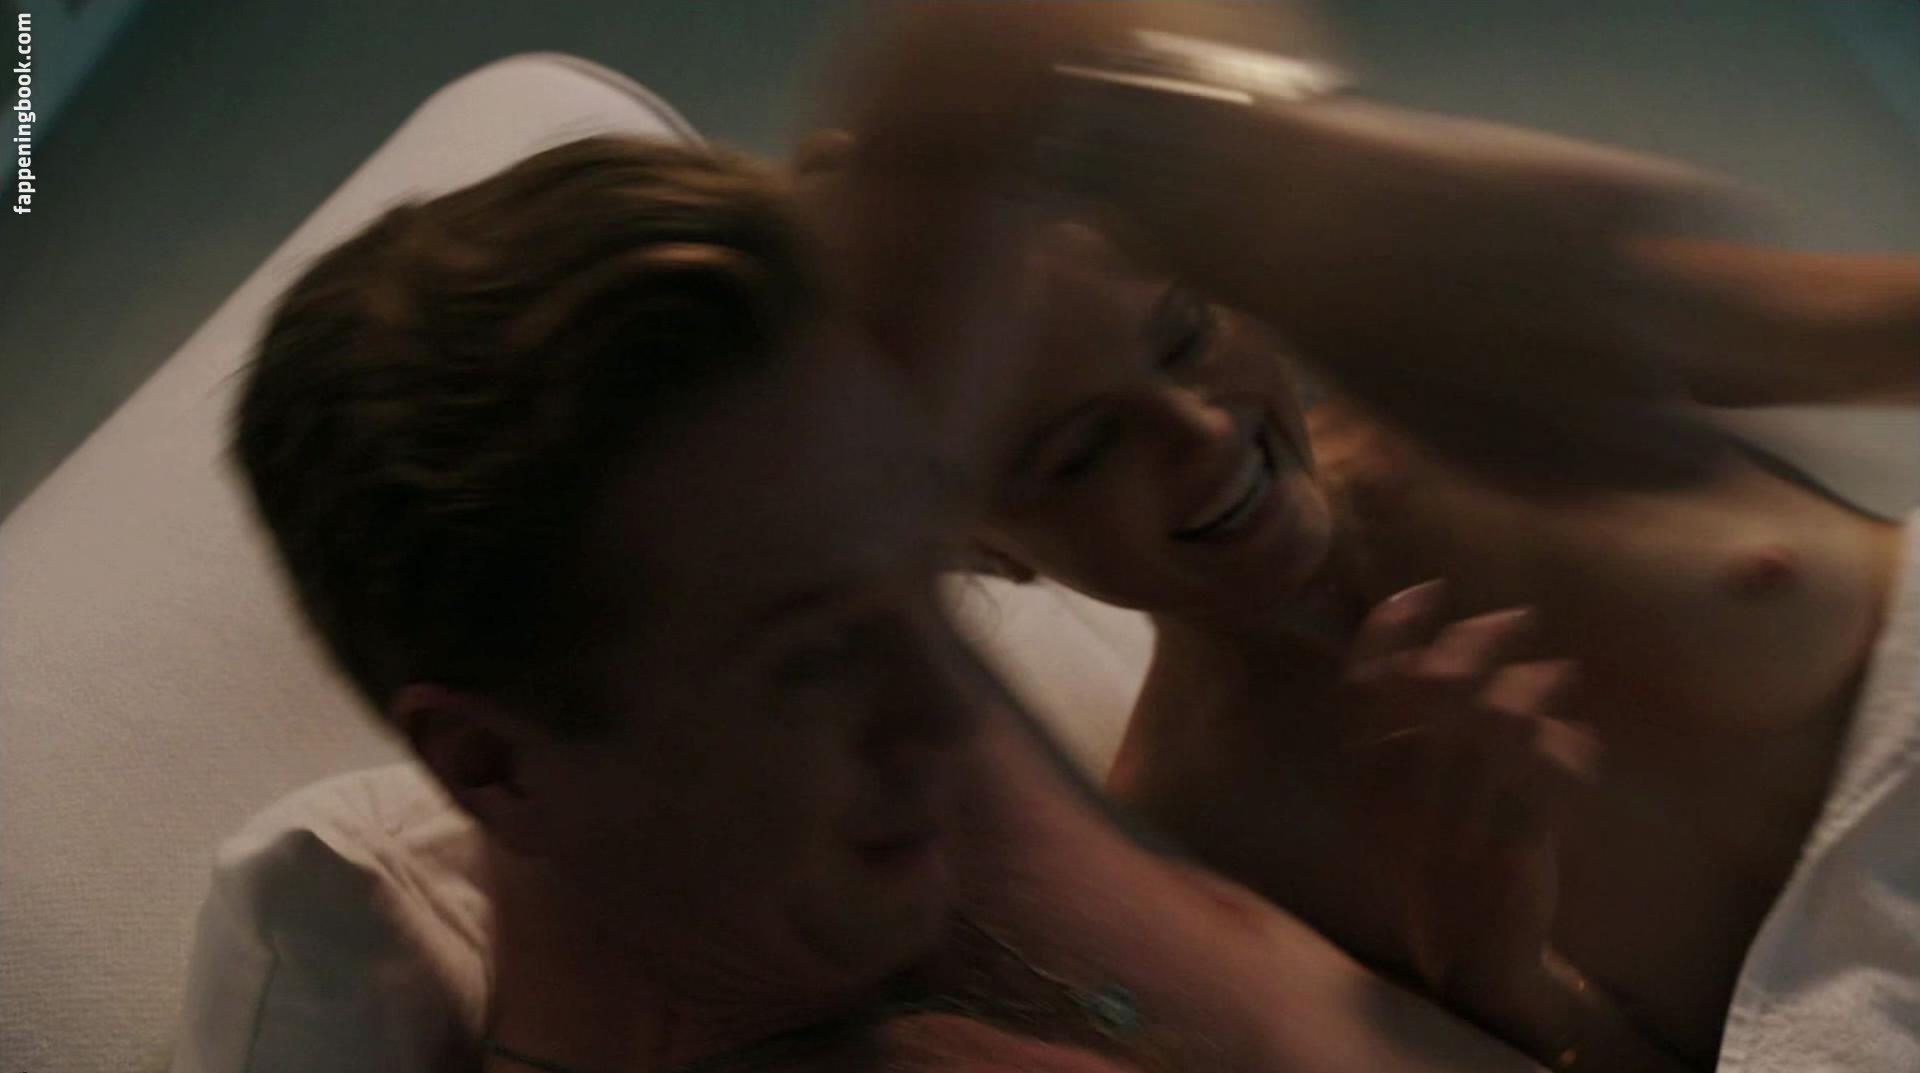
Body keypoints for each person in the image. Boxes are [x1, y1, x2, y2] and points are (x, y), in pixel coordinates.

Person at [232, 134, 1637, 1073]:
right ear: (494, 764)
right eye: (813, 659)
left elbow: (992, 95)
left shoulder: (836, 709)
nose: (949, 701)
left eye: (924, 567)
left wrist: (1501, 975)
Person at [827, 3, 1920, 1067]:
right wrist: (1497, 961)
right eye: (1085, 449)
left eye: (1187, 337)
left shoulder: (1473, 365)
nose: (1199, 429)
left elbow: (1870, 332)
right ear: (992, 552)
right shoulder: (1204, 834)